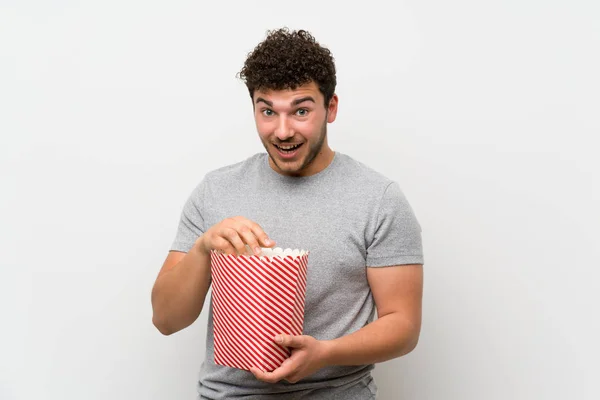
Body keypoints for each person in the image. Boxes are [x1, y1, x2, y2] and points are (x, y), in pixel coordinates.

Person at [151, 27, 424, 400]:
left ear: (330, 108)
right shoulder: (216, 191)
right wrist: (202, 250)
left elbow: (403, 324)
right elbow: (166, 320)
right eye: (267, 111)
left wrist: (324, 353)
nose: (282, 131)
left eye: (300, 110)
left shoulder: (378, 198)